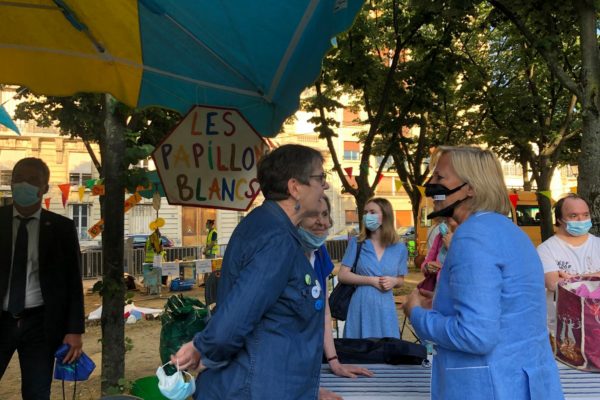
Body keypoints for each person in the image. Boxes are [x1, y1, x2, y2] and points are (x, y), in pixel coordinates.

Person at [403, 146, 563, 399]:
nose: (430, 184)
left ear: (471, 188)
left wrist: (418, 314)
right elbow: (508, 308)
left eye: (439, 177)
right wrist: (442, 305)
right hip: (524, 382)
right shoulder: (510, 232)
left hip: (489, 386)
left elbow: (475, 335)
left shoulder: (472, 236)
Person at [172, 144, 329, 399]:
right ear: (295, 188)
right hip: (255, 387)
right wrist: (203, 347)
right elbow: (237, 316)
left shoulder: (267, 226)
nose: (326, 186)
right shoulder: (276, 239)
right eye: (320, 178)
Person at [0, 157, 85, 400]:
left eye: (31, 180)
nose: (23, 185)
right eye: (18, 179)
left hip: (41, 324)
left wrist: (74, 330)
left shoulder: (61, 228)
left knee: (37, 393)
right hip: (1, 320)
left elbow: (72, 283)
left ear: (45, 188)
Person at [297, 195, 373, 400]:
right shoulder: (285, 254)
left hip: (308, 366)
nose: (323, 222)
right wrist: (304, 389)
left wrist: (334, 361)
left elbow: (323, 308)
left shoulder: (319, 252)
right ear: (296, 217)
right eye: (313, 214)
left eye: (325, 214)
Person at [338, 197, 408, 339]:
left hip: (386, 307)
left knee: (386, 350)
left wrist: (394, 281)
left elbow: (401, 279)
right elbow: (342, 275)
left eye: (372, 212)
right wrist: (371, 280)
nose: (367, 216)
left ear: (385, 216)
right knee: (358, 351)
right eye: (365, 212)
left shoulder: (399, 248)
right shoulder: (357, 243)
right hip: (361, 305)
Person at [537, 194, 600, 338]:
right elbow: (553, 284)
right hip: (564, 330)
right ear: (559, 219)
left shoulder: (598, 244)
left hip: (596, 328)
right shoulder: (546, 249)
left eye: (585, 215)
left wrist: (570, 278)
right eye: (573, 215)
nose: (581, 220)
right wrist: (596, 276)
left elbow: (564, 283)